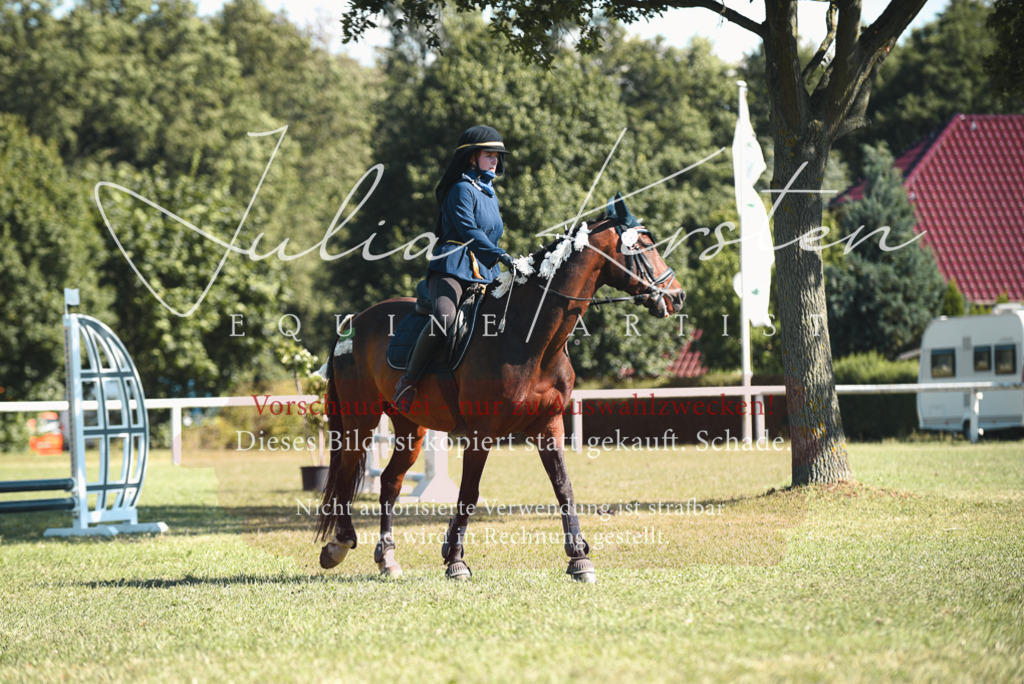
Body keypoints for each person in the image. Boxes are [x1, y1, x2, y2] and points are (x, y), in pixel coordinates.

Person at [392, 125, 515, 413]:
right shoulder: (461, 189)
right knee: (444, 318)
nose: (495, 160)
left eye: (497, 156)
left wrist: (500, 258)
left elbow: (491, 234)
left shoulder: (490, 194)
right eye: (489, 155)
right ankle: (409, 381)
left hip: (486, 270)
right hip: (452, 266)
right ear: (472, 157)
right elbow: (469, 230)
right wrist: (499, 255)